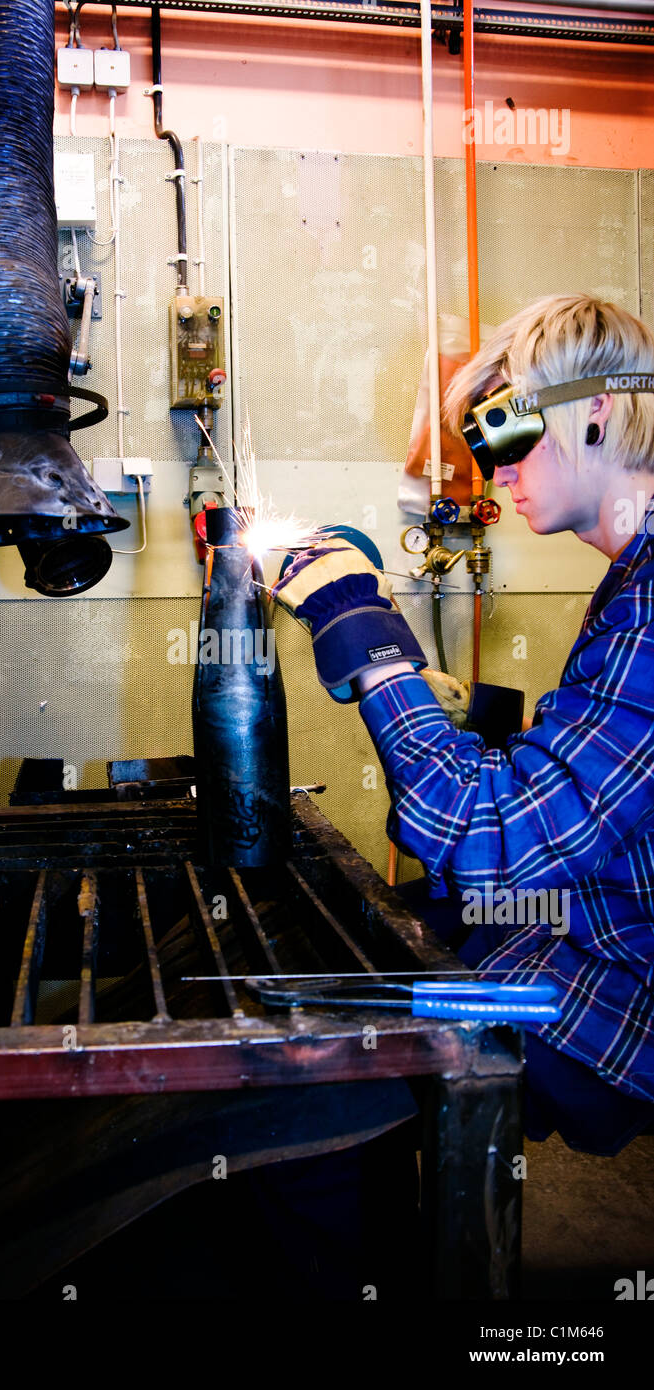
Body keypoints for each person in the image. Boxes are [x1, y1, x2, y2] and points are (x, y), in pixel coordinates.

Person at [273, 293, 654, 1156]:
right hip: (579, 913)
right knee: (349, 942)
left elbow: (481, 831)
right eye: (484, 446)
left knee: (301, 1107)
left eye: (509, 435)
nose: (495, 471)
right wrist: (439, 706)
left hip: (614, 984)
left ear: (595, 411)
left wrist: (365, 642)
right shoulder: (633, 572)